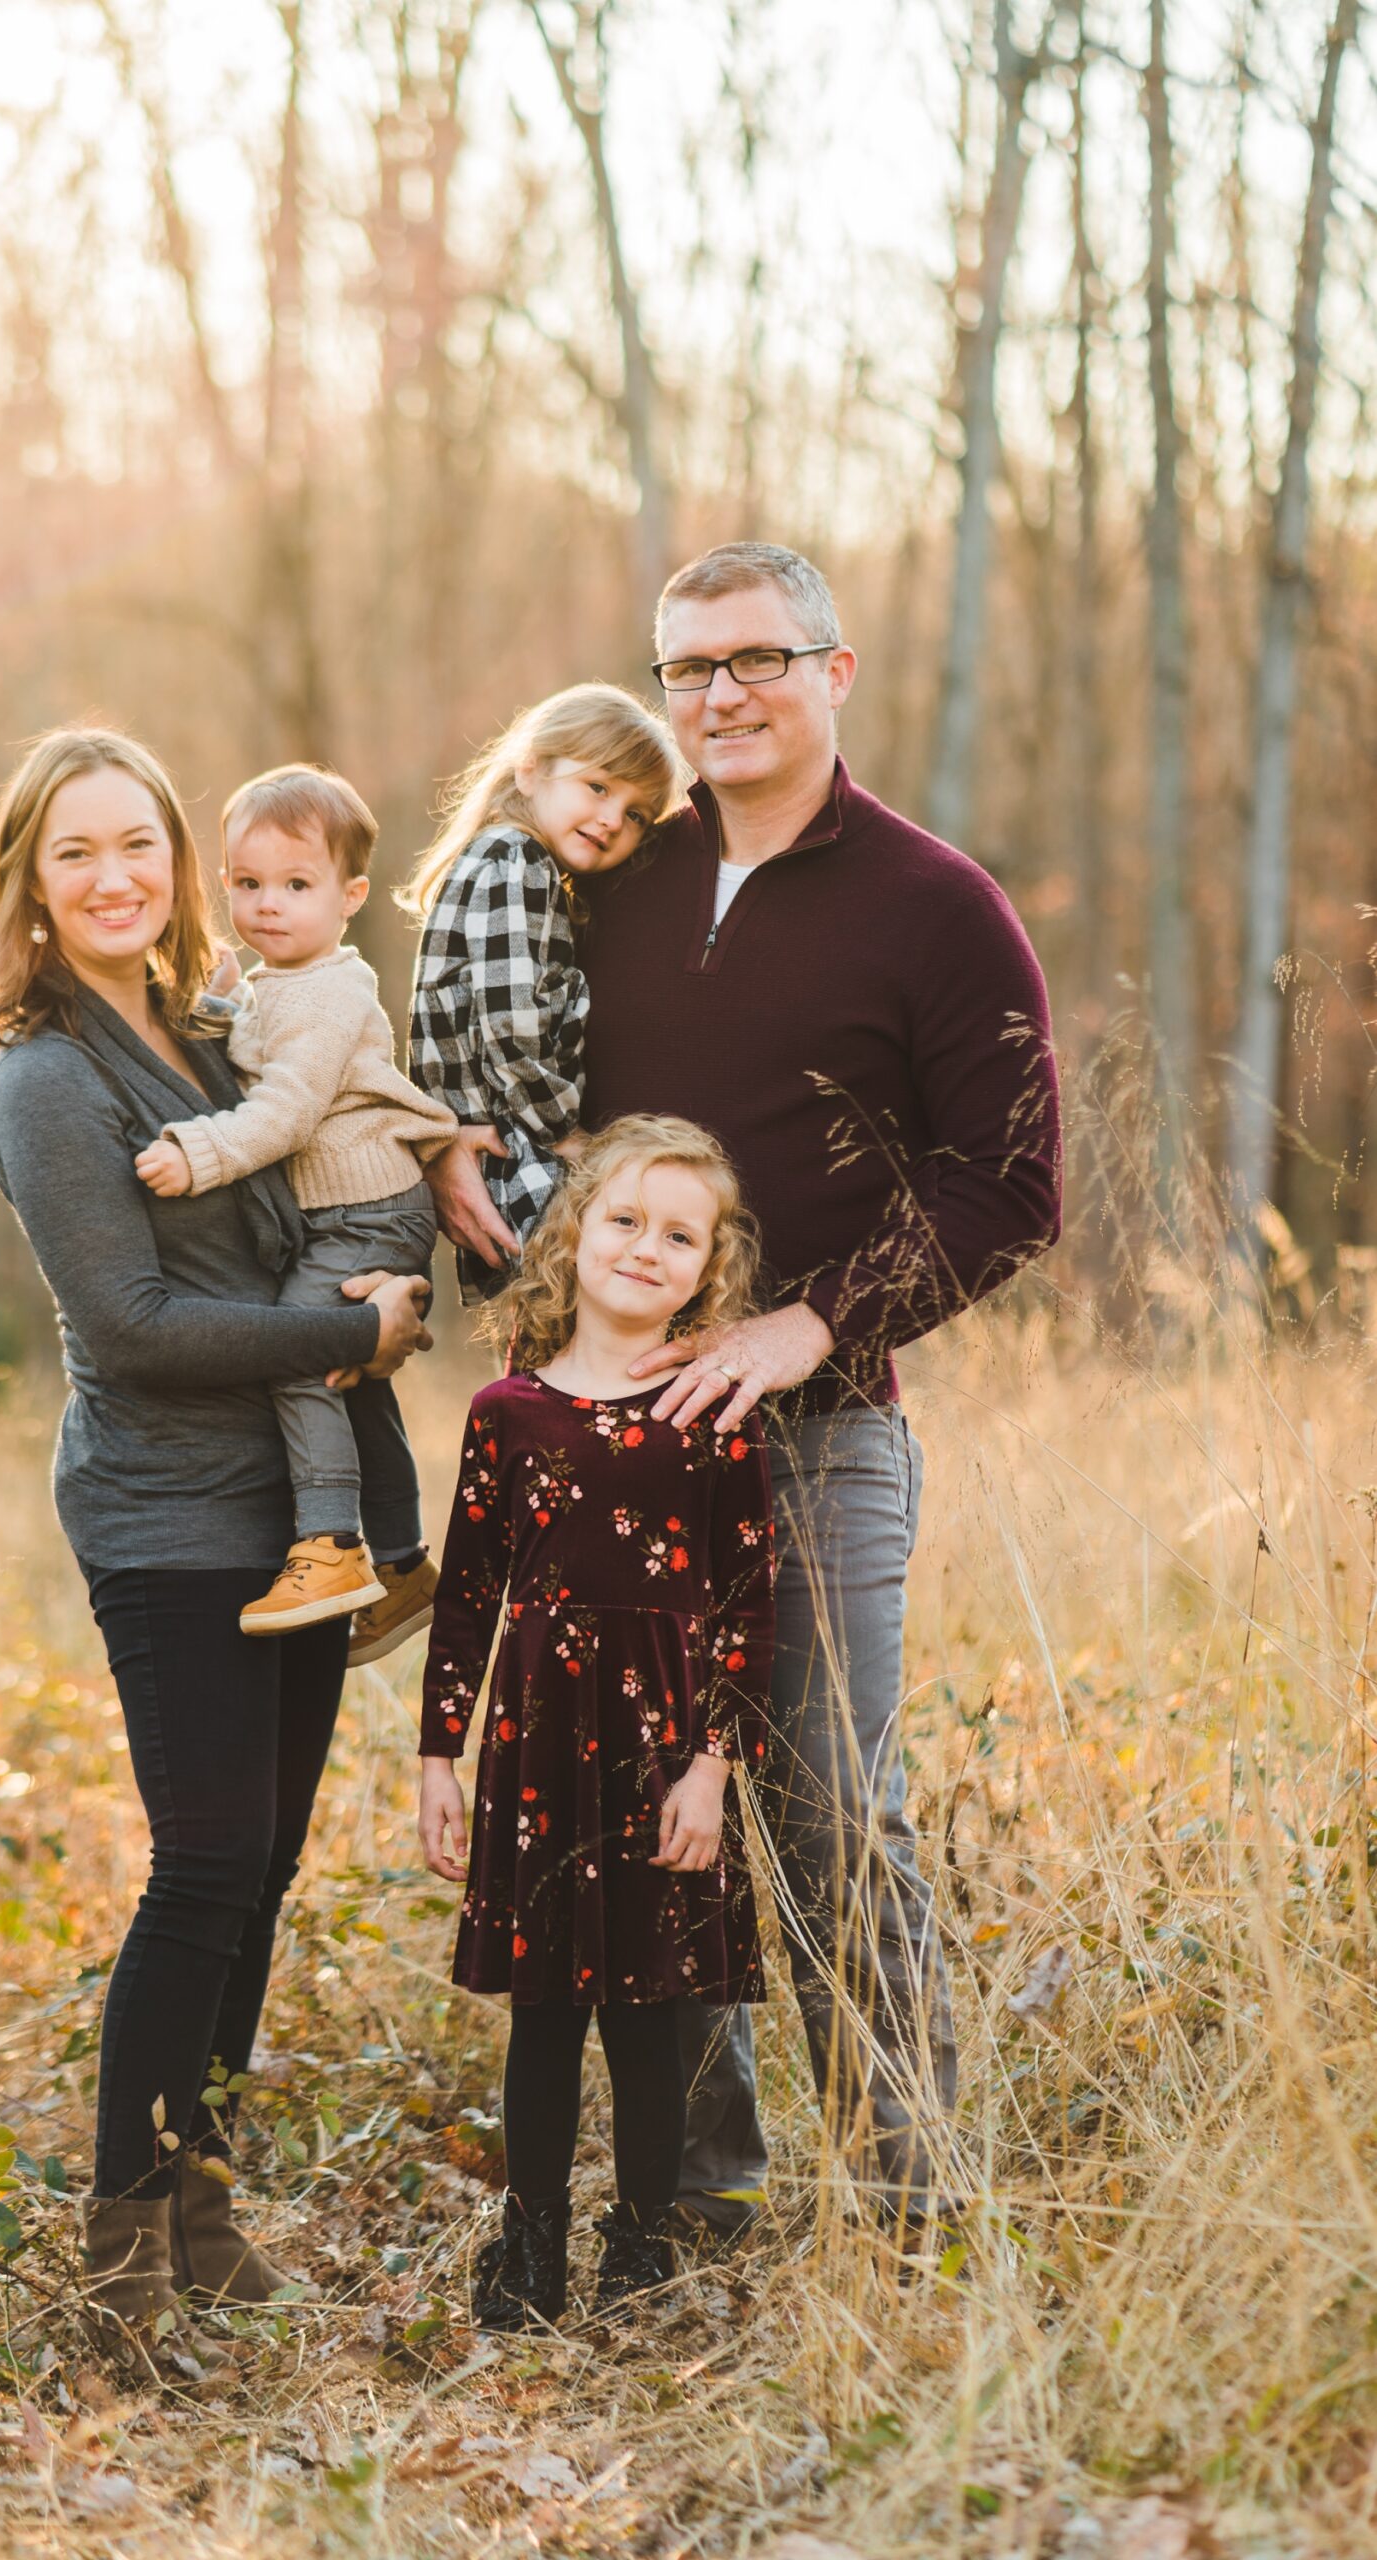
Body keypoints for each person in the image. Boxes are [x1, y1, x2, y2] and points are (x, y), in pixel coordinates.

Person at [426, 542, 1063, 2243]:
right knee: (640, 1810)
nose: (721, 697)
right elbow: (503, 1055)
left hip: (819, 1426)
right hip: (605, 1432)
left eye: (756, 660)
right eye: (688, 670)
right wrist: (451, 1157)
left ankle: (916, 2198)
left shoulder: (935, 904)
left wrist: (807, 1325)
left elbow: (1012, 1183)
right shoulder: (608, 872)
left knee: (828, 1802)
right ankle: (684, 2196)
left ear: (834, 670)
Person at [0, 727, 431, 2378]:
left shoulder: (221, 1021)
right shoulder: (47, 1078)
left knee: (267, 1871)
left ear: (179, 860)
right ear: (30, 884)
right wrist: (346, 1334)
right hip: (170, 1514)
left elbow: (324, 1181)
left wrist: (402, 1260)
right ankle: (113, 2283)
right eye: (77, 852)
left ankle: (205, 2223)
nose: (116, 878)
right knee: (205, 1869)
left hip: (293, 1511)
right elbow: (137, 1326)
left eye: (139, 845)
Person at [417, 1116, 775, 2326]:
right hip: (536, 1741)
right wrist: (437, 1758)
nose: (646, 1248)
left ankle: (640, 2247)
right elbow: (467, 1595)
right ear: (574, 1231)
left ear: (710, 1266)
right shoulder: (507, 1411)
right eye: (625, 1219)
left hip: (665, 1746)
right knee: (544, 2012)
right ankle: (531, 2254)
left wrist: (714, 1769)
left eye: (681, 1235)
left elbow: (746, 1603)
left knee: (650, 2014)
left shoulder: (714, 1403)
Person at [133, 764, 456, 1659]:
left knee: (301, 1352)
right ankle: (402, 1566)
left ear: (351, 895)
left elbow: (285, 1111)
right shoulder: (285, 979)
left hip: (365, 1213)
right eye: (247, 884)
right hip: (347, 1212)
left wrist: (199, 1155)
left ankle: (332, 1545)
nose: (267, 904)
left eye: (296, 885)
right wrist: (222, 1002)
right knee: (360, 1381)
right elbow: (249, 1036)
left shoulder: (326, 993)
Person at [404, 683, 682, 1302]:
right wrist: (564, 1134)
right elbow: (511, 1026)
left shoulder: (507, 861)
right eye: (599, 787)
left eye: (637, 813)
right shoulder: (516, 859)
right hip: (517, 1149)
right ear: (530, 769)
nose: (613, 819)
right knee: (600, 1313)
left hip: (491, 1152)